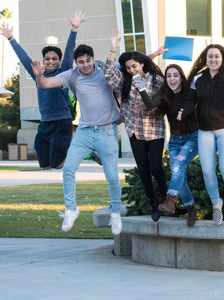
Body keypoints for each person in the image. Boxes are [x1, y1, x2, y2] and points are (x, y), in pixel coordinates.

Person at [31, 44, 123, 235]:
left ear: (92, 58)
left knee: (113, 177)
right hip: (84, 131)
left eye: (87, 60)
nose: (85, 65)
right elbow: (45, 84)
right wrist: (40, 75)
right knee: (68, 169)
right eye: (80, 62)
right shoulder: (71, 75)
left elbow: (132, 65)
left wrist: (151, 56)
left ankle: (115, 214)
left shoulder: (104, 69)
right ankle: (71, 209)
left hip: (107, 131)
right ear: (76, 63)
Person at [0, 11, 102, 169]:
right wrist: (11, 39)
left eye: (54, 59)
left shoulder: (64, 73)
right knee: (45, 165)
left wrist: (74, 29)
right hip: (45, 124)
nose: (50, 61)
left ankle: (85, 152)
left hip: (62, 122)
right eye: (47, 58)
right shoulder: (38, 76)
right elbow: (24, 58)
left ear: (59, 61)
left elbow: (69, 51)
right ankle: (82, 151)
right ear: (43, 61)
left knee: (57, 164)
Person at [104, 30, 166, 222]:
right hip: (134, 130)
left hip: (154, 129)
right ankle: (152, 202)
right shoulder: (124, 82)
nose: (131, 70)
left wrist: (148, 107)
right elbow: (108, 72)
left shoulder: (156, 80)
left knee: (156, 166)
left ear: (142, 64)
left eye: (134, 66)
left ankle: (166, 198)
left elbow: (162, 103)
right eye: (128, 67)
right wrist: (114, 49)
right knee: (143, 169)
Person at [180, 34, 224, 225]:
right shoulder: (199, 78)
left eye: (217, 56)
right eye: (210, 56)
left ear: (223, 58)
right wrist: (184, 110)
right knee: (207, 171)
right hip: (205, 130)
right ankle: (217, 204)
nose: (213, 59)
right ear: (205, 59)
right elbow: (191, 98)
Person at [139, 64, 199, 226]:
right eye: (169, 76)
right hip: (174, 140)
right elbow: (151, 104)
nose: (172, 79)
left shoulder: (189, 92)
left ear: (181, 77)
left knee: (179, 164)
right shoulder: (165, 94)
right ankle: (190, 207)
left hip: (193, 138)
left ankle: (170, 199)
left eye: (175, 75)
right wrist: (141, 88)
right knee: (178, 172)